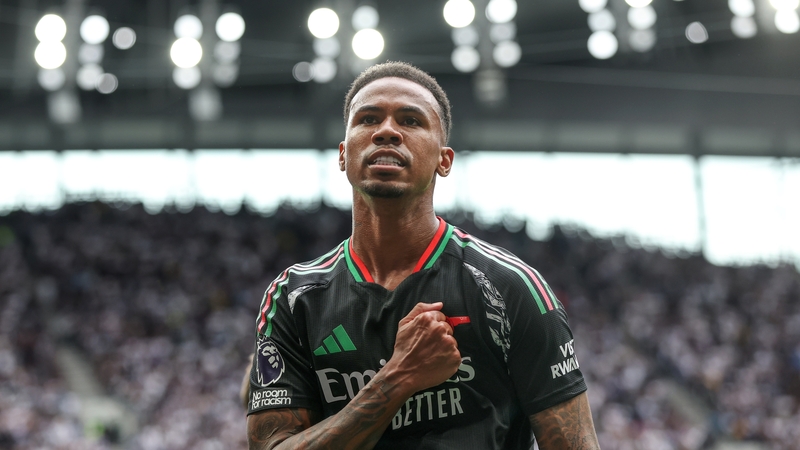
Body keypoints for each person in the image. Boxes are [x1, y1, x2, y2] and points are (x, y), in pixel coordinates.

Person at [245, 61, 600, 449]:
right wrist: (398, 377)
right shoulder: (295, 297)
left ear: (444, 160)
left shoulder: (511, 287)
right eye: (368, 119)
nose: (386, 131)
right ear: (344, 155)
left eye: (411, 121)